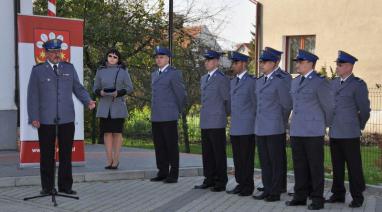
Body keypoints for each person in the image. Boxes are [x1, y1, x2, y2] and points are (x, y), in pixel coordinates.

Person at [27, 39, 96, 195]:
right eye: (53, 52)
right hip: (45, 119)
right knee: (46, 155)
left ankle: (65, 186)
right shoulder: (38, 70)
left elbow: (78, 88)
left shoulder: (69, 68)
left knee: (66, 154)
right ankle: (47, 187)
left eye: (58, 51)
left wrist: (88, 101)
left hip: (66, 118)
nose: (56, 54)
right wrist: (34, 117)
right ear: (45, 53)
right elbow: (33, 96)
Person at [285, 49, 334, 210]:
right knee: (299, 165)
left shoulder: (320, 82)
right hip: (297, 129)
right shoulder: (295, 81)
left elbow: (329, 107)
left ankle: (317, 199)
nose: (297, 64)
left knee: (315, 167)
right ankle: (300, 196)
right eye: (297, 62)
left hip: (313, 131)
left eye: (300, 62)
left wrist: (323, 125)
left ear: (310, 64)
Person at [326, 51, 371, 208]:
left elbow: (364, 110)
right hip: (335, 131)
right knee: (337, 165)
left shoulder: (358, 85)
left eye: (340, 65)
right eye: (337, 64)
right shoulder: (333, 83)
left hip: (350, 132)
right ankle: (338, 194)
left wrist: (359, 125)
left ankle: (357, 197)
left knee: (354, 166)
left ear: (350, 67)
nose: (337, 67)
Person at [253, 49, 292, 202]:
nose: (261, 64)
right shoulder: (260, 81)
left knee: (276, 161)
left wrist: (280, 122)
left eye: (265, 62)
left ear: (275, 63)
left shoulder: (280, 81)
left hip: (275, 126)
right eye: (261, 62)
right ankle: (267, 188)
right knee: (265, 161)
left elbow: (287, 105)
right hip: (261, 127)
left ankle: (275, 191)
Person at [194, 50, 230, 192]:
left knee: (218, 153)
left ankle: (220, 181)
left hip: (217, 120)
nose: (206, 62)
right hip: (206, 120)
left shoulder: (222, 79)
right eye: (206, 60)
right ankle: (209, 179)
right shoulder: (204, 78)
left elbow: (227, 100)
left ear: (216, 62)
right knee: (207, 153)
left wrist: (222, 114)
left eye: (209, 60)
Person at [150, 46, 186, 183]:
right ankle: (162, 171)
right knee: (159, 145)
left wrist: (177, 110)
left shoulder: (173, 73)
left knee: (171, 145)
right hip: (156, 115)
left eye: (161, 57)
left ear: (168, 59)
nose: (158, 60)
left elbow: (181, 94)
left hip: (169, 115)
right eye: (157, 57)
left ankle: (173, 173)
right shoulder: (154, 74)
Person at [93, 48, 133, 170]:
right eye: (110, 56)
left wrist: (119, 93)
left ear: (118, 59)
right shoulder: (100, 71)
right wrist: (100, 92)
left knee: (117, 133)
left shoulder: (123, 71)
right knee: (107, 133)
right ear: (106, 57)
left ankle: (116, 160)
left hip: (118, 106)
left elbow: (130, 88)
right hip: (104, 106)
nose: (112, 58)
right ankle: (109, 160)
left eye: (115, 57)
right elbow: (95, 88)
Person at [226, 51, 256, 196]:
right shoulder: (233, 82)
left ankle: (248, 186)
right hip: (235, 127)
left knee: (246, 159)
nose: (233, 65)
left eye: (236, 63)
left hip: (247, 127)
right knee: (237, 159)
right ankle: (240, 184)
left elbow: (256, 104)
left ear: (244, 64)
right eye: (233, 63)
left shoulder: (251, 82)